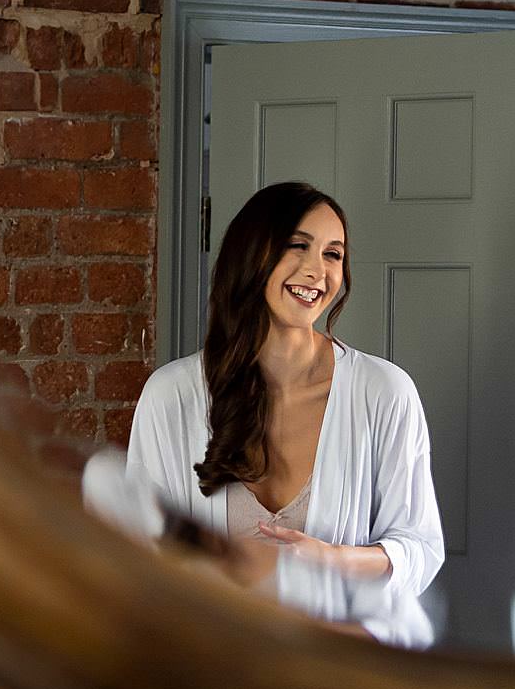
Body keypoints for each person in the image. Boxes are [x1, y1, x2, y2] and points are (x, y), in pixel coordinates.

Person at [122, 180, 445, 646]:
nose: (318, 271)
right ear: (251, 255)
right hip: (211, 678)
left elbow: (420, 546)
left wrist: (333, 560)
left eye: (333, 254)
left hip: (336, 674)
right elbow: (139, 551)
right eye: (299, 246)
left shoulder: (384, 392)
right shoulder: (170, 397)